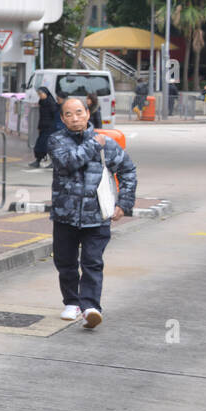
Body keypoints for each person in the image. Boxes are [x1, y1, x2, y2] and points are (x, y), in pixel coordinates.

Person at [48, 97, 136, 328]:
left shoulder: (108, 143)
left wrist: (124, 203)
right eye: (69, 114)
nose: (75, 118)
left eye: (79, 112)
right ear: (62, 118)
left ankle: (90, 307)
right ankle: (71, 302)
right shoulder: (57, 140)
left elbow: (128, 170)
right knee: (65, 262)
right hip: (64, 215)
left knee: (92, 262)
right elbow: (67, 162)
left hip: (97, 216)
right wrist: (93, 145)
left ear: (88, 114)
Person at [27, 87, 60, 168]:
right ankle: (38, 160)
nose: (40, 96)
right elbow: (42, 116)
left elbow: (54, 116)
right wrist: (39, 126)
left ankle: (53, 161)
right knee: (41, 144)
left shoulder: (51, 103)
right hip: (43, 126)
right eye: (39, 94)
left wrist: (53, 127)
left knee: (47, 145)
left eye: (41, 94)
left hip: (50, 127)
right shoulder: (42, 102)